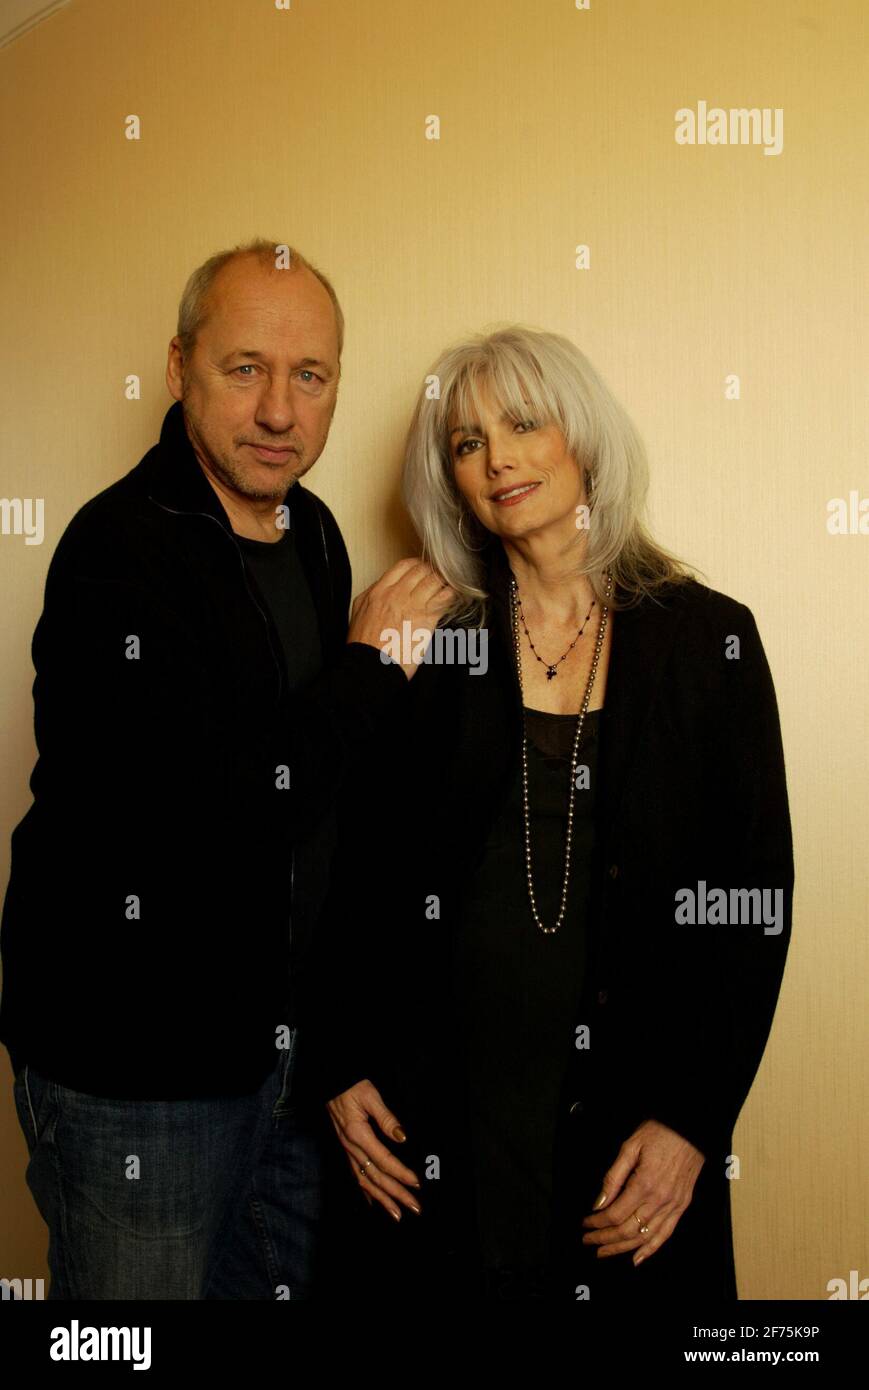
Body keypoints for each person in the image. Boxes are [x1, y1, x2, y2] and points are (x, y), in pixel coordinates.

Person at [0, 238, 453, 1299]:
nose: (279, 412)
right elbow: (209, 812)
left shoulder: (317, 534)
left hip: (284, 1067)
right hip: (136, 1075)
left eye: (311, 376)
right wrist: (370, 665)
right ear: (177, 369)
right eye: (244, 368)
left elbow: (331, 802)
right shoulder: (119, 554)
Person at [310, 325, 794, 1302]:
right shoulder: (426, 637)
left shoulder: (708, 643)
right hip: (437, 1135)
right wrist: (333, 1057)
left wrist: (693, 1122)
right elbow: (343, 865)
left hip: (627, 1136)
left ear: (582, 437)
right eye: (465, 441)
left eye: (522, 423)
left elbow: (748, 905)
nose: (497, 459)